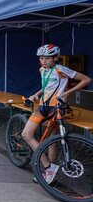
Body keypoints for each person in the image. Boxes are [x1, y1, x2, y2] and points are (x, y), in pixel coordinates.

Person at [22, 44, 91, 184]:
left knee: (52, 141)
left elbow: (86, 80)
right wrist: (36, 94)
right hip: (43, 107)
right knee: (26, 135)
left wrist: (67, 93)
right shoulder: (43, 70)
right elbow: (46, 86)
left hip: (56, 108)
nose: (44, 61)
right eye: (41, 58)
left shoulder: (61, 69)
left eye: (47, 58)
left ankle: (48, 170)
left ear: (55, 58)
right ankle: (49, 167)